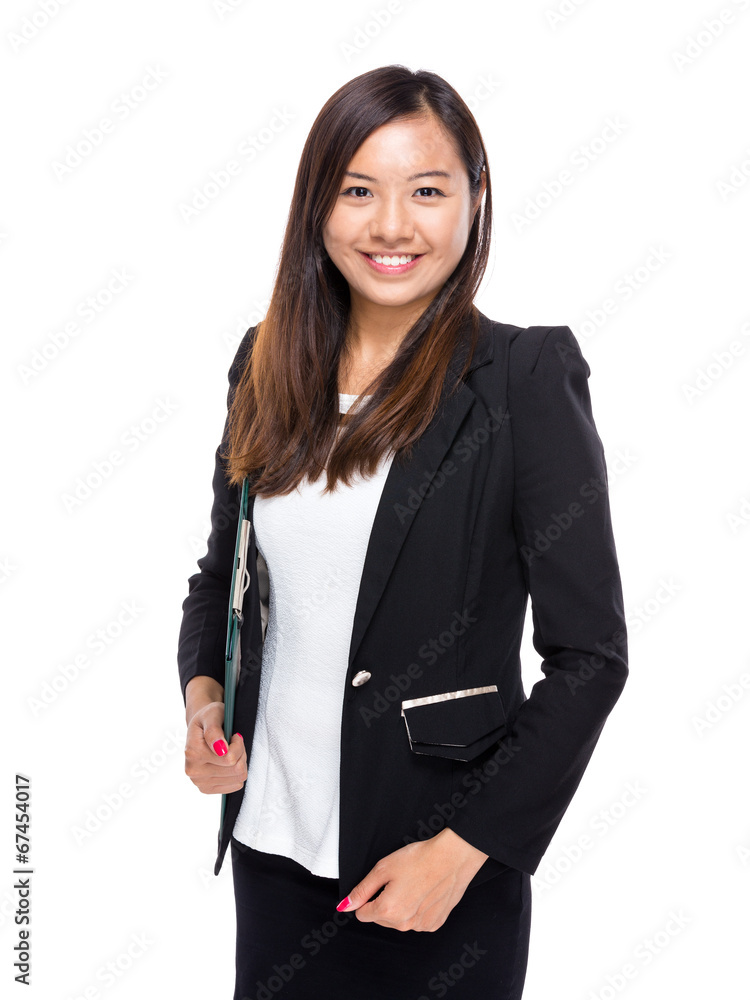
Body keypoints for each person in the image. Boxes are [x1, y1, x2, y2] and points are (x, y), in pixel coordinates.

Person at [177, 64, 628, 1000]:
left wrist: (462, 852)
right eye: (358, 191)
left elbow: (591, 657)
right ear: (317, 205)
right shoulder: (264, 366)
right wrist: (205, 706)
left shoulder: (523, 377)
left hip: (431, 877)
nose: (391, 226)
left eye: (426, 191)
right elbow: (223, 578)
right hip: (270, 856)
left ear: (476, 198)